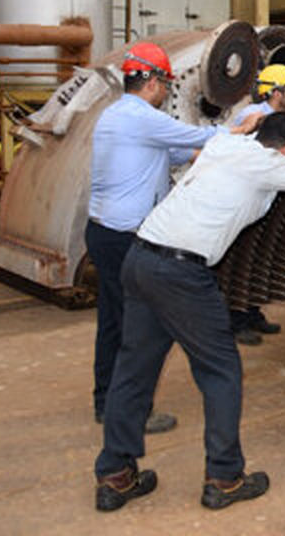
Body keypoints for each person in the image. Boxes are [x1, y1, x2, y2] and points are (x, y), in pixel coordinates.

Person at [94, 113, 285, 512]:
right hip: (181, 273)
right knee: (221, 371)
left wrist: (242, 127)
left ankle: (115, 476)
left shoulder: (224, 145)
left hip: (140, 256)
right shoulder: (271, 164)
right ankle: (224, 478)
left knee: (133, 370)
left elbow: (229, 134)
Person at [87, 42, 264, 436]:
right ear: (150, 82)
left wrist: (190, 156)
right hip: (122, 236)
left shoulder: (113, 116)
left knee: (114, 321)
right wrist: (241, 128)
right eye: (165, 83)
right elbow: (198, 134)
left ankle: (107, 400)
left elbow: (158, 157)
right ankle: (123, 409)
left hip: (102, 231)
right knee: (135, 329)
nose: (167, 91)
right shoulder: (141, 117)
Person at [229, 64, 285, 338]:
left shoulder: (282, 119)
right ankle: (236, 320)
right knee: (240, 260)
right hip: (244, 199)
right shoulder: (252, 117)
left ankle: (252, 313)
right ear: (276, 92)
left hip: (265, 201)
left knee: (256, 259)